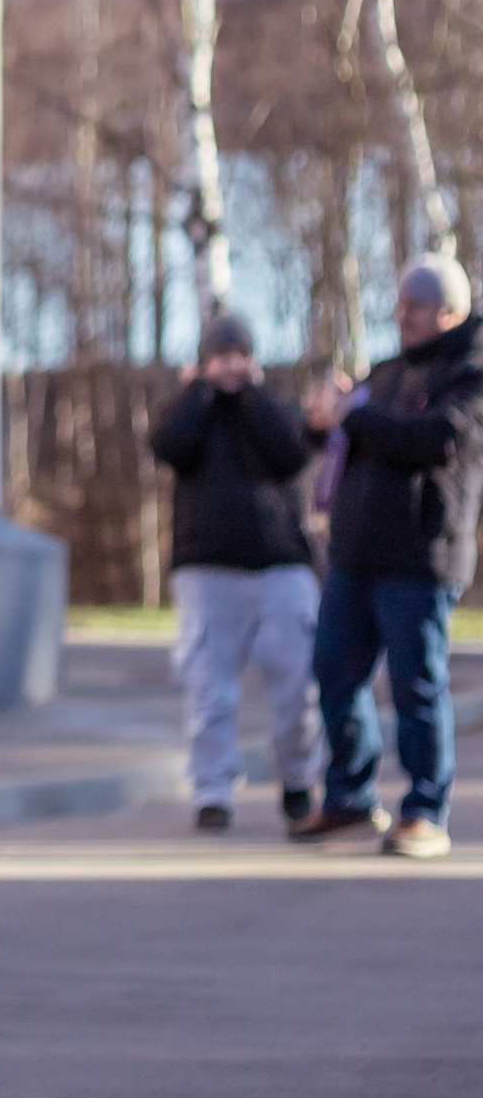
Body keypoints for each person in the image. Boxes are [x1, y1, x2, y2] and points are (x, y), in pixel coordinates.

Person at [298, 256, 483, 860]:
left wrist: (359, 414)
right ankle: (350, 798)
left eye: (416, 306)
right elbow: (352, 434)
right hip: (356, 554)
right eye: (401, 304)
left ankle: (426, 812)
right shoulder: (389, 370)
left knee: (416, 688)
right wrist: (325, 418)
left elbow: (436, 439)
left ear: (450, 312)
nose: (402, 315)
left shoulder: (471, 372)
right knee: (334, 672)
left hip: (421, 556)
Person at [147, 310, 319, 836]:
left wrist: (251, 397)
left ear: (254, 360)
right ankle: (212, 791)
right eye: (221, 358)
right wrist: (200, 394)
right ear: (203, 363)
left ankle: (298, 780)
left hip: (281, 565)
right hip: (207, 568)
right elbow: (167, 446)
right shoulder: (189, 410)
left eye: (240, 357)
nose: (231, 368)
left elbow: (293, 454)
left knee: (296, 685)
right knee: (210, 689)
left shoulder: (271, 408)